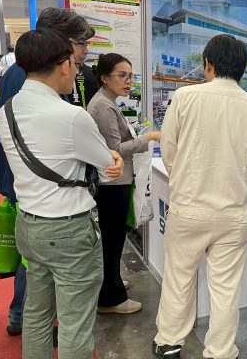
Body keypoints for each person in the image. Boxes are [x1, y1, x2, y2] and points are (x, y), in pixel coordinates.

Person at [0, 28, 124, 359]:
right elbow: (107, 166)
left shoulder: (7, 110)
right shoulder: (71, 116)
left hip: (29, 225)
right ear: (64, 65)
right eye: (74, 61)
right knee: (75, 322)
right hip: (69, 230)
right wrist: (113, 158)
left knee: (37, 313)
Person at [152, 34, 247, 359]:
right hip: (235, 214)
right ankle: (220, 351)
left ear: (208, 65)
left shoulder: (184, 97)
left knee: (178, 279)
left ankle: (169, 343)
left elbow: (169, 151)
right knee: (226, 289)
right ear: (242, 69)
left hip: (189, 208)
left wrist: (185, 179)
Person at [87, 53, 161, 314]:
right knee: (112, 239)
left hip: (115, 181)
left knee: (114, 239)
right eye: (122, 76)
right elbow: (115, 149)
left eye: (131, 76)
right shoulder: (103, 106)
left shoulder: (107, 102)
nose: (129, 81)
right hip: (112, 183)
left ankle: (112, 283)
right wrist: (148, 138)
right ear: (104, 78)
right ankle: (111, 298)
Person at [66, 30, 99, 109]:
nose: (86, 51)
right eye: (81, 44)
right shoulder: (51, 76)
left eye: (86, 45)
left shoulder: (91, 74)